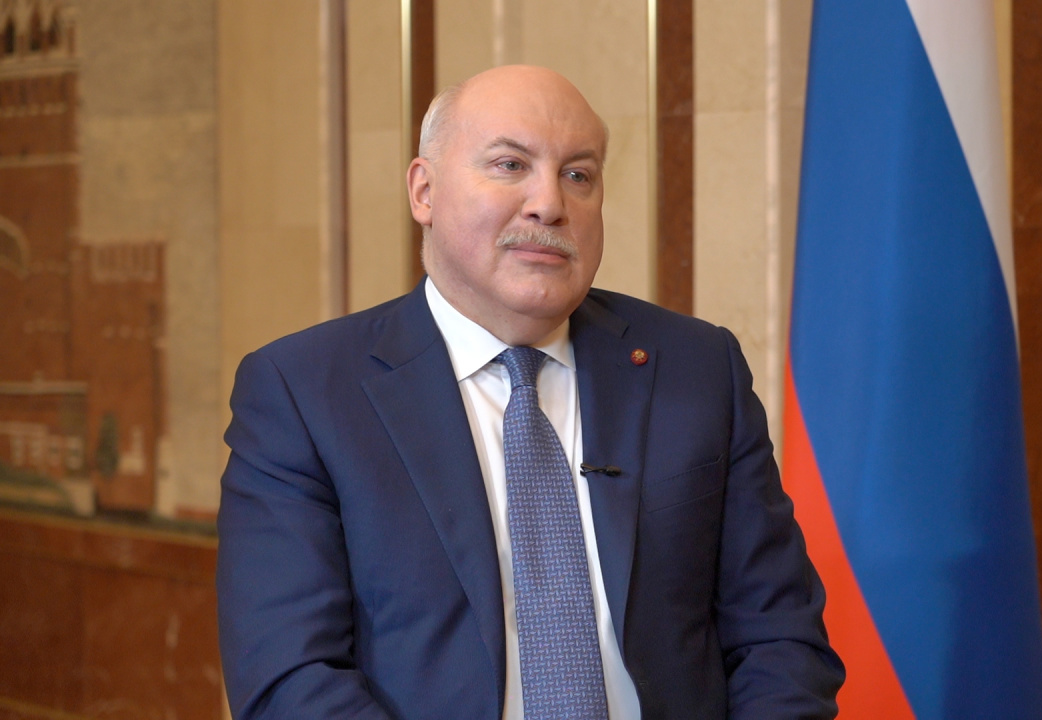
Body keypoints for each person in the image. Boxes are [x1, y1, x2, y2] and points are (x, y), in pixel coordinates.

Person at [216, 65, 843, 719]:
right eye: (511, 165)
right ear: (424, 191)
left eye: (578, 175)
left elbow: (780, 640)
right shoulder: (303, 393)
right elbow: (291, 677)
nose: (549, 203)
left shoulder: (697, 368)